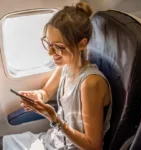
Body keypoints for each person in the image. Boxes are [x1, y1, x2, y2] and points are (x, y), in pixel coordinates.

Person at [2, 2, 112, 150]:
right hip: (53, 140)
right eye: (49, 44)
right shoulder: (65, 67)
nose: (50, 53)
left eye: (59, 47)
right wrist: (38, 96)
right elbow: (46, 92)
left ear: (81, 44)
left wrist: (54, 119)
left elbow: (93, 146)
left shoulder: (91, 83)